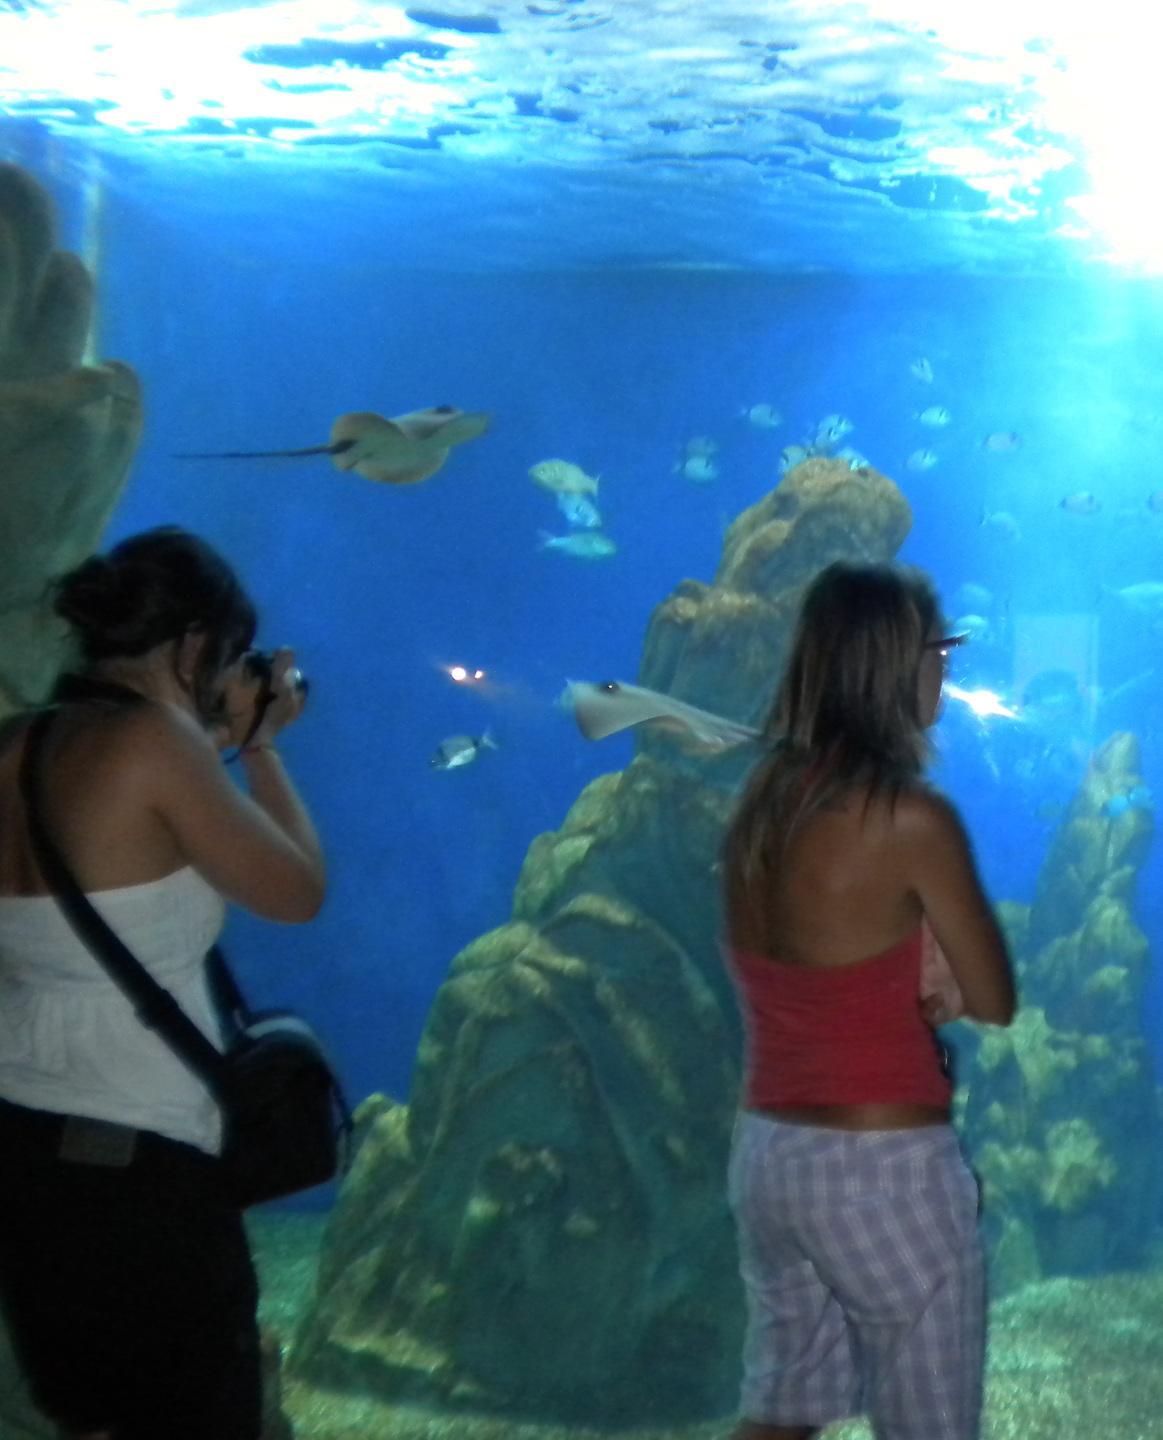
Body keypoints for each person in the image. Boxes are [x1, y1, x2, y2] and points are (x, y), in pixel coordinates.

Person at [0, 525, 325, 1440]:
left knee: (93, 1417)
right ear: (192, 644)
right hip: (142, 1164)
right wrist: (258, 749)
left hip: (24, 1149)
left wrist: (213, 734)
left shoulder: (18, 743)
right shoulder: (154, 746)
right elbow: (296, 890)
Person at [721, 560, 1015, 1440]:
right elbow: (993, 996)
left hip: (771, 1156)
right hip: (878, 1169)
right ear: (893, 662)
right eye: (938, 649)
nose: (947, 668)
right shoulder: (908, 819)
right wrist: (938, 969)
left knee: (780, 1413)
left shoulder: (762, 803)